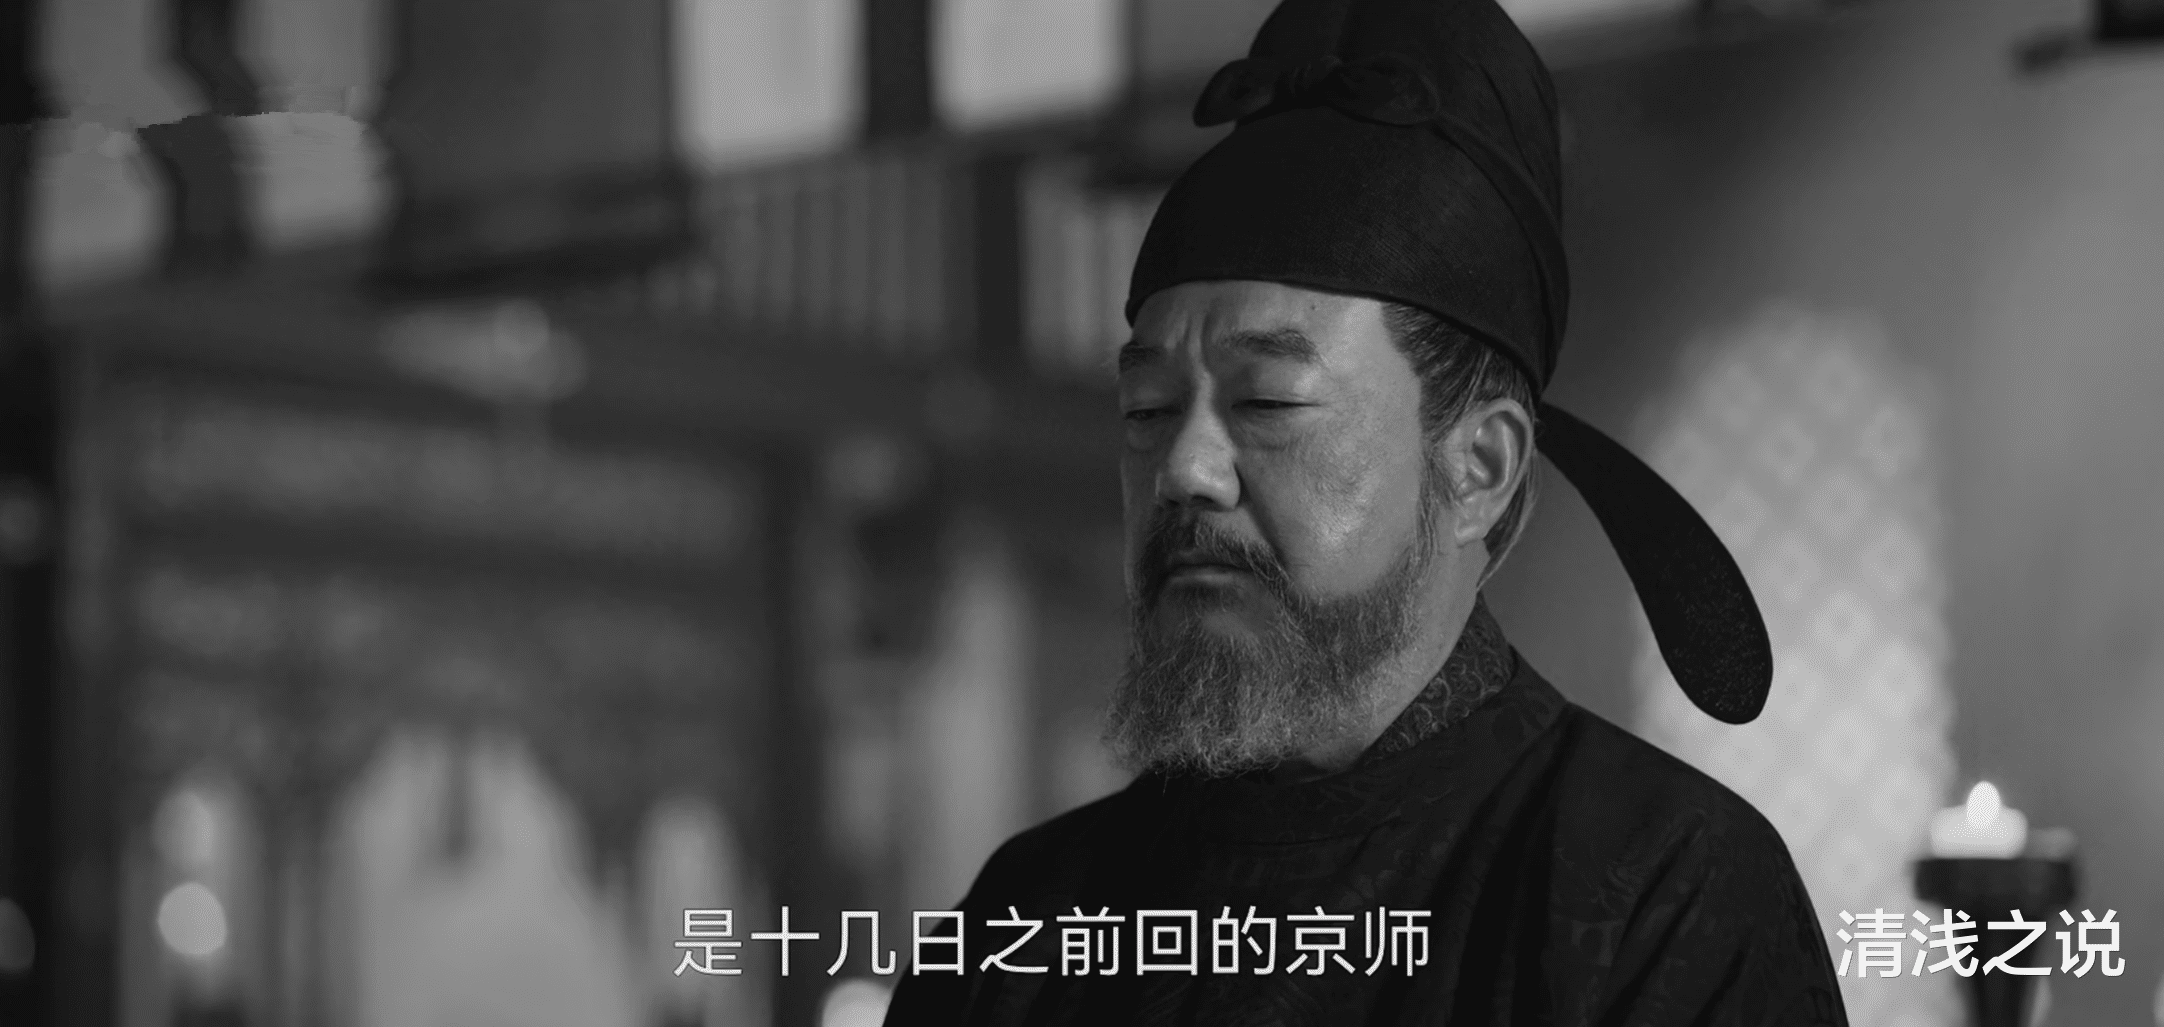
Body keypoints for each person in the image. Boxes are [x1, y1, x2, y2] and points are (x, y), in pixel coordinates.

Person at [884, 0, 1848, 1022]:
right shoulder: (1029, 919)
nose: (1185, 470)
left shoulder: (1658, 891)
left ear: (1478, 466)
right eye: (1148, 410)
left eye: (1266, 403)